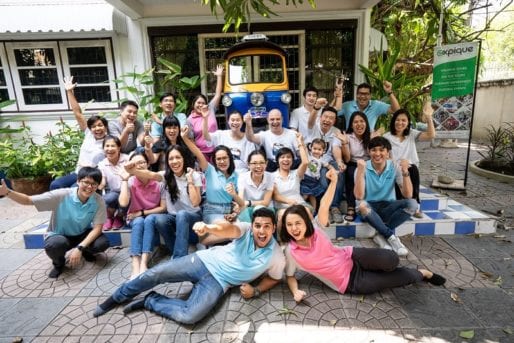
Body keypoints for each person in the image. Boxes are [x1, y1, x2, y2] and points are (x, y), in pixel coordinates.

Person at [93, 208, 285, 325]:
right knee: (156, 273)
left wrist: (256, 290)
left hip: (220, 282)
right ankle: (116, 298)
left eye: (267, 226)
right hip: (204, 261)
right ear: (252, 226)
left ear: (274, 228)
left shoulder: (276, 256)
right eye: (258, 225)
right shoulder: (245, 230)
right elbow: (228, 229)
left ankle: (150, 301)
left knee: (190, 316)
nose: (261, 230)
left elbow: (275, 278)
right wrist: (209, 228)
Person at [280, 168, 446, 299]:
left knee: (392, 259)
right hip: (349, 282)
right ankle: (423, 273)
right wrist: (295, 292)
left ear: (305, 223)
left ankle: (383, 268)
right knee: (393, 278)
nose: (294, 228)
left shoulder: (316, 228)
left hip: (350, 256)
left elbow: (324, 205)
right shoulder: (291, 251)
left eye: (297, 223)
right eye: (289, 225)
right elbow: (290, 276)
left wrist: (334, 182)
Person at [0, 167, 109, 279]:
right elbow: (28, 200)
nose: (89, 187)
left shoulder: (98, 200)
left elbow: (97, 228)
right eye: (86, 182)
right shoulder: (61, 195)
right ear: (77, 181)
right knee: (54, 245)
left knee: (102, 243)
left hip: (82, 233)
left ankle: (85, 251)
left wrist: (80, 248)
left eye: (94, 184)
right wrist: (7, 192)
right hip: (59, 234)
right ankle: (59, 264)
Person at [123, 145, 202, 259]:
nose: (174, 161)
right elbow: (150, 174)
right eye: (171, 159)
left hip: (193, 217)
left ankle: (179, 257)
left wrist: (190, 180)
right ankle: (174, 249)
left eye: (178, 157)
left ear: (184, 158)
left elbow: (196, 202)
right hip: (174, 218)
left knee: (182, 214)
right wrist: (131, 170)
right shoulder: (166, 176)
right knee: (159, 219)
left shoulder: (194, 175)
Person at [354, 136, 417, 256]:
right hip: (369, 208)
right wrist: (361, 172)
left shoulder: (393, 166)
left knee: (413, 204)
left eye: (381, 150)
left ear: (387, 152)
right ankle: (391, 237)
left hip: (388, 207)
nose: (377, 153)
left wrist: (405, 171)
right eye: (374, 150)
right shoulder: (362, 167)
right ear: (369, 151)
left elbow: (408, 195)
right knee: (361, 204)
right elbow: (359, 195)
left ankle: (380, 235)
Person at [50, 76, 108, 190]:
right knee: (55, 185)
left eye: (100, 125)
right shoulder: (88, 134)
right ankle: (60, 208)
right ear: (90, 128)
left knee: (73, 190)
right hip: (78, 173)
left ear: (106, 127)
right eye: (94, 126)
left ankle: (72, 207)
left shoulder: (109, 141)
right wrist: (69, 91)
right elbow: (77, 113)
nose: (97, 129)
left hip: (93, 176)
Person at [181, 126, 244, 230]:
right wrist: (184, 138)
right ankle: (204, 238)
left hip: (229, 211)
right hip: (212, 211)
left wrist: (234, 211)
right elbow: (197, 152)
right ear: (214, 161)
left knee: (241, 227)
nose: (222, 161)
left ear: (230, 158)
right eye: (218, 159)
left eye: (224, 158)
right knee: (226, 228)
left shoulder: (236, 176)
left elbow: (239, 201)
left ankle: (206, 238)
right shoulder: (210, 170)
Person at [384, 101, 436, 218]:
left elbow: (431, 135)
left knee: (412, 169)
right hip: (394, 168)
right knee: (400, 172)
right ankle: (405, 203)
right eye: (398, 120)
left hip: (411, 168)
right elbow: (387, 156)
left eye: (404, 120)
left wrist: (429, 117)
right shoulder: (386, 137)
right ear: (393, 121)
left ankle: (415, 203)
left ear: (408, 123)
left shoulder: (412, 134)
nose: (400, 123)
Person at [119, 152, 166, 279]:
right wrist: (124, 179)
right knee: (139, 222)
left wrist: (141, 213)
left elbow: (163, 208)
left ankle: (144, 263)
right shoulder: (130, 181)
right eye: (135, 163)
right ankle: (135, 265)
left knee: (148, 219)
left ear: (148, 163)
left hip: (152, 214)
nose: (139, 166)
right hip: (135, 218)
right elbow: (123, 203)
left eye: (142, 162)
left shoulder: (158, 180)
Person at [306, 106, 346, 223]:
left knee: (338, 171)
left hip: (328, 161)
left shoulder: (336, 132)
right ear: (320, 117)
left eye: (331, 118)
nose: (327, 120)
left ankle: (334, 207)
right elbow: (310, 120)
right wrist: (316, 108)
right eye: (325, 116)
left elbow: (335, 148)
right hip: (315, 162)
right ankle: (325, 207)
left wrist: (339, 161)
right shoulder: (313, 127)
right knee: (323, 177)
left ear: (334, 121)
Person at [186, 64, 224, 162]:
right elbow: (190, 139)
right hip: (202, 153)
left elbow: (218, 94)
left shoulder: (210, 109)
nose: (201, 105)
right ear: (193, 104)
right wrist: (197, 154)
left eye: (203, 103)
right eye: (198, 103)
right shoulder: (190, 119)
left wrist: (219, 76)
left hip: (216, 150)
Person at [340, 111, 372, 222]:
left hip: (369, 163)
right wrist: (344, 143)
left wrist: (371, 140)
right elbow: (348, 159)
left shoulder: (371, 135)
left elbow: (373, 155)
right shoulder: (347, 137)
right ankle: (351, 206)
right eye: (355, 122)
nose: (359, 124)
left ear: (366, 123)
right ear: (351, 125)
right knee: (351, 172)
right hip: (353, 163)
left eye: (362, 121)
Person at [203, 109, 257, 174]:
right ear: (228, 121)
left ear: (242, 122)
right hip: (224, 174)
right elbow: (206, 136)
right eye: (232, 120)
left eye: (238, 120)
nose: (235, 122)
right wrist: (205, 118)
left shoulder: (248, 139)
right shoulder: (220, 135)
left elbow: (252, 160)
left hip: (242, 174)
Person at [97, 135, 129, 230]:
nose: (109, 149)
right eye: (107, 146)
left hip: (128, 191)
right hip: (114, 192)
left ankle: (119, 217)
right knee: (110, 197)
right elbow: (103, 182)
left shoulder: (127, 159)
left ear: (119, 148)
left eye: (113, 146)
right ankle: (109, 217)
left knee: (123, 197)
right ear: (103, 148)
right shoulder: (102, 164)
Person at [237, 150, 275, 223]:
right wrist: (242, 205)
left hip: (266, 209)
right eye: (254, 163)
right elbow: (241, 200)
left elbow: (266, 202)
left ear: (266, 163)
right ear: (248, 164)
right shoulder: (242, 177)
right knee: (242, 211)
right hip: (248, 208)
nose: (258, 166)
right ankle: (250, 232)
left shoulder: (270, 177)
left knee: (258, 208)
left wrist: (249, 202)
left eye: (261, 163)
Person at [300, 138, 333, 210]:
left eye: (319, 149)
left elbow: (328, 166)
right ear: (311, 148)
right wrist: (301, 141)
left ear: (323, 151)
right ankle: (299, 207)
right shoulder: (308, 156)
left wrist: (334, 171)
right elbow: (304, 148)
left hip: (314, 181)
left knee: (313, 196)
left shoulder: (322, 160)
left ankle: (314, 211)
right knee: (305, 195)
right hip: (306, 179)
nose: (316, 151)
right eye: (314, 148)